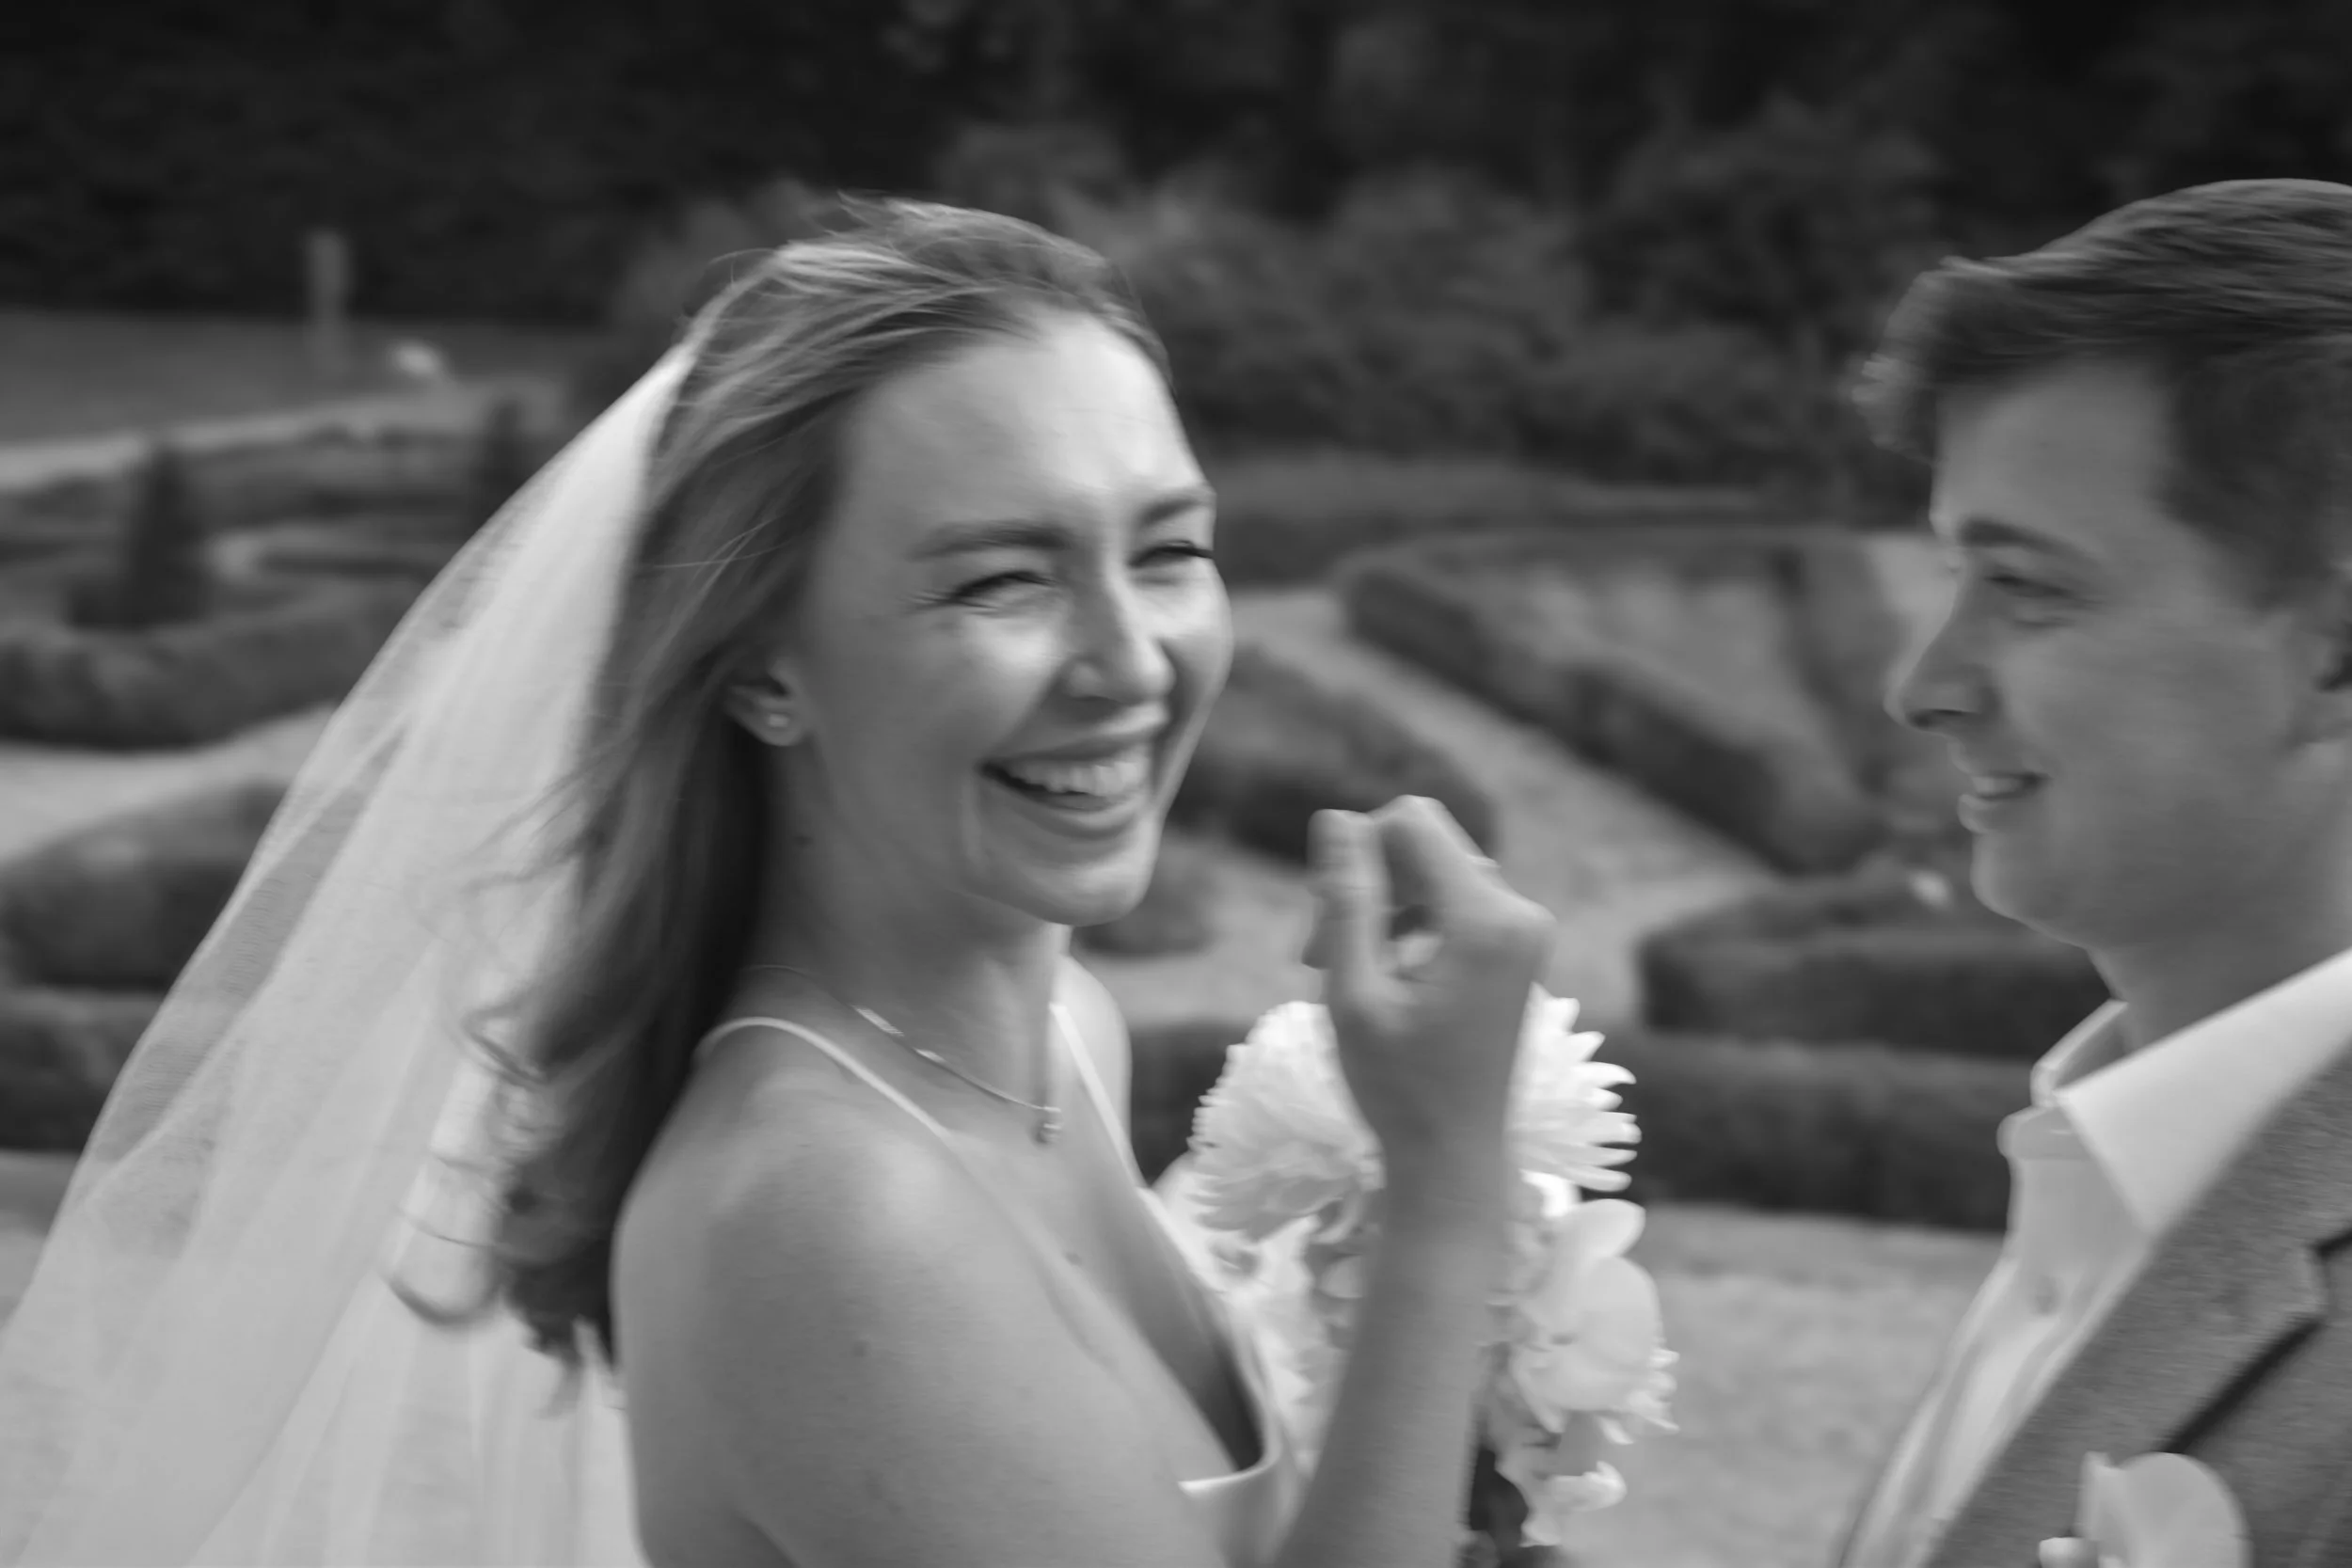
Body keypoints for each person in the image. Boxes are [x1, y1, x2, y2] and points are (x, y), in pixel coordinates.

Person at [0, 201, 1556, 1568]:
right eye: (1002, 577)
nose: (1131, 659)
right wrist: (1438, 1194)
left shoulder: (1061, 1035)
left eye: (1169, 548)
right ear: (761, 668)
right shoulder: (831, 1214)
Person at [1836, 179, 2352, 1568]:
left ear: (2336, 645)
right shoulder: (2106, 1164)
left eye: (2028, 587)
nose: (1923, 684)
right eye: (1953, 574)